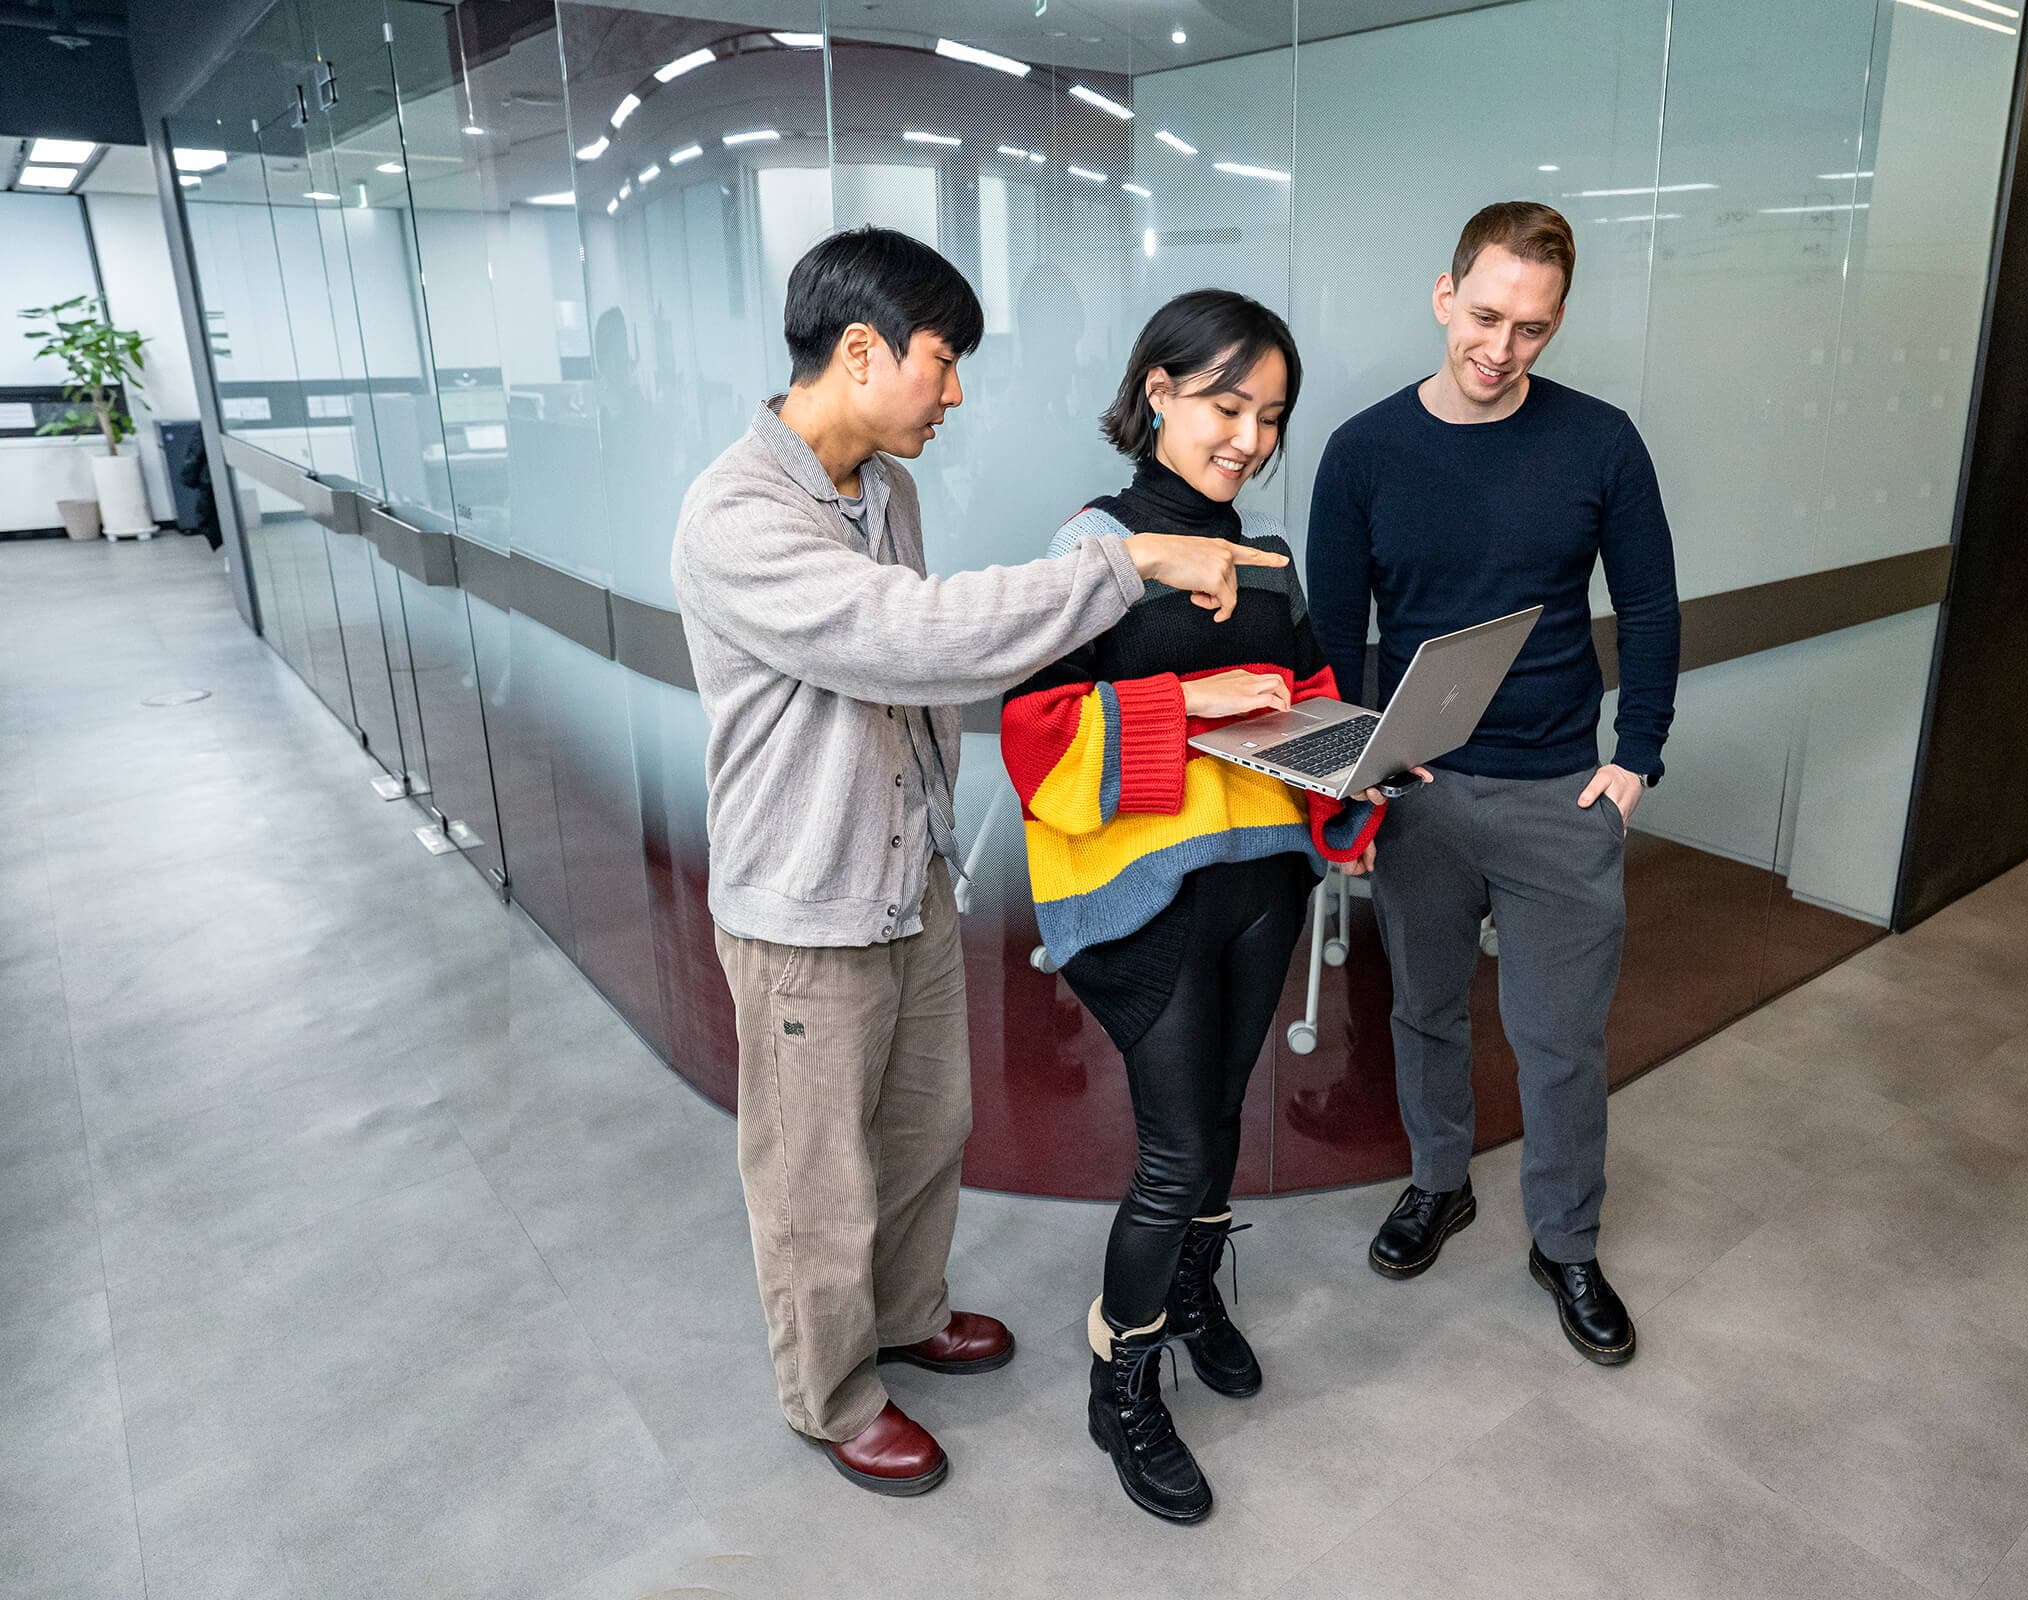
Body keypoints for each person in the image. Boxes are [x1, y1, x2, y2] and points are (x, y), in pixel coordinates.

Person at [669, 228, 1289, 1499]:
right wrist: (1128, 565)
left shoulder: (881, 491)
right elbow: (910, 642)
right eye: (943, 361)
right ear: (860, 351)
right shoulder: (736, 512)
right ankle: (833, 1394)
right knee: (814, 1176)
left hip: (904, 876)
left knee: (923, 1128)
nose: (956, 393)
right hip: (804, 899)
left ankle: (904, 1316)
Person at [999, 290, 1396, 1524]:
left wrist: (1368, 751)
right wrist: (1202, 705)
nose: (1249, 438)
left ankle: (1197, 1296)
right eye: (1227, 405)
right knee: (1171, 1154)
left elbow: (1314, 687)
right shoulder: (1094, 550)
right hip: (1142, 895)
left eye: (1270, 416)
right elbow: (1033, 736)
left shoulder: (1270, 554)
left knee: (1220, 1118)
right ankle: (1123, 1380)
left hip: (1259, 879)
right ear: (1158, 389)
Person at [1305, 201, 1680, 1367]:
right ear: (1442, 293)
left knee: (1558, 1041)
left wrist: (1635, 762)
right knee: (1422, 1009)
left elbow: (1654, 608)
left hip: (1563, 791)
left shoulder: (1602, 442)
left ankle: (1565, 1241)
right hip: (1420, 793)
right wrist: (1352, 792)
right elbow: (1333, 639)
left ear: (1556, 323)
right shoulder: (1363, 452)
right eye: (1484, 315)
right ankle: (1437, 1182)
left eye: (1532, 327)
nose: (1501, 347)